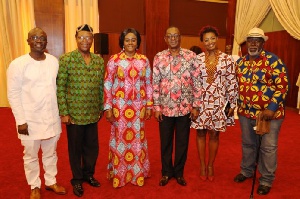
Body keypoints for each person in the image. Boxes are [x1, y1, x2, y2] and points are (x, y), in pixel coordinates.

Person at [7, 27, 66, 199]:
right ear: (28, 41)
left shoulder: (54, 61)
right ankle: (34, 185)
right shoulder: (18, 64)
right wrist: (21, 120)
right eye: (34, 37)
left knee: (51, 152)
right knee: (31, 155)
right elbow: (13, 93)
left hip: (51, 117)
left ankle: (50, 181)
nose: (38, 40)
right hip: (30, 119)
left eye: (42, 38)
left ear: (46, 42)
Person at [234, 27, 289, 195]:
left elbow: (282, 86)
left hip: (268, 115)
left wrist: (271, 108)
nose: (253, 44)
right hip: (246, 113)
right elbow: (236, 87)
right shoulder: (241, 63)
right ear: (246, 42)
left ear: (263, 43)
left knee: (268, 147)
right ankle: (247, 171)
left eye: (257, 41)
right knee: (248, 144)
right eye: (250, 40)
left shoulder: (273, 61)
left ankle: (266, 179)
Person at [56, 24, 105, 197]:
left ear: (92, 40)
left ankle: (88, 175)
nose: (85, 41)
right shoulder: (66, 59)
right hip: (74, 114)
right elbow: (60, 87)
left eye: (88, 38)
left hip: (92, 113)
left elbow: (100, 86)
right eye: (81, 37)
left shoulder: (98, 60)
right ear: (76, 39)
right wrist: (64, 112)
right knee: (75, 149)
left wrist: (101, 106)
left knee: (92, 148)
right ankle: (77, 179)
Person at [153, 26, 202, 186]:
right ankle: (166, 172)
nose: (173, 38)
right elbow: (155, 84)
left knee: (182, 142)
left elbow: (197, 82)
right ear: (165, 39)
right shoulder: (159, 57)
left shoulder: (191, 56)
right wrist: (157, 107)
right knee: (165, 142)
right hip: (165, 109)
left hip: (184, 108)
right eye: (170, 36)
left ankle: (179, 172)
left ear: (180, 38)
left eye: (176, 36)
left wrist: (196, 106)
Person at [104, 28, 153, 188]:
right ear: (122, 42)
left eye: (133, 39)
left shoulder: (144, 60)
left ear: (138, 42)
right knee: (120, 139)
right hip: (120, 106)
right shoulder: (115, 60)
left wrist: (149, 105)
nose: (130, 42)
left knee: (137, 139)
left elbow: (148, 83)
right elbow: (108, 83)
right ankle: (120, 173)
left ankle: (137, 173)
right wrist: (108, 107)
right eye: (127, 40)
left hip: (138, 106)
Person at [191, 26, 238, 181]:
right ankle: (202, 165)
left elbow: (232, 81)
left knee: (214, 134)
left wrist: (232, 103)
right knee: (200, 133)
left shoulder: (227, 59)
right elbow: (193, 83)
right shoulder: (197, 59)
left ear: (217, 39)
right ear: (202, 42)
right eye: (206, 39)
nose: (209, 42)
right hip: (201, 102)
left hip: (219, 102)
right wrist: (193, 104)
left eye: (212, 38)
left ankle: (211, 164)